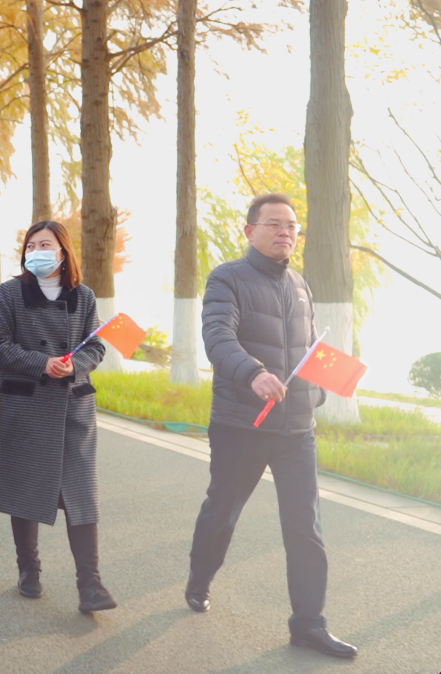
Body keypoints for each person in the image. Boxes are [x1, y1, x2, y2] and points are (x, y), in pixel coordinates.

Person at [186, 193, 357, 659]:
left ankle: (309, 624)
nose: (286, 232)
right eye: (275, 223)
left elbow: (308, 347)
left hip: (296, 430)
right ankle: (200, 578)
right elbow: (217, 336)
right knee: (222, 511)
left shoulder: (299, 284)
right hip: (241, 425)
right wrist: (253, 373)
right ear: (250, 231)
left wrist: (318, 393)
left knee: (305, 527)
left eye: (292, 226)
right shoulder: (227, 278)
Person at [0, 220, 116, 614]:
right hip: (27, 405)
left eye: (46, 244)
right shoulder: (11, 293)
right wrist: (42, 363)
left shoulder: (84, 295)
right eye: (31, 245)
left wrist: (74, 365)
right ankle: (28, 568)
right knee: (26, 488)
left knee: (81, 494)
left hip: (73, 406)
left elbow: (96, 347)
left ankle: (90, 585)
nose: (37, 251)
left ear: (63, 251)